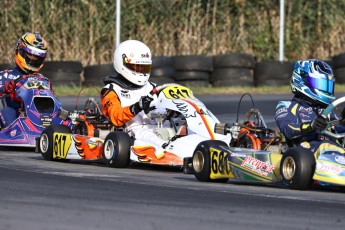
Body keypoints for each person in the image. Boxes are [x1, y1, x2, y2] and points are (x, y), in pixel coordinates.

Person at [101, 40, 168, 161]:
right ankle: (168, 150)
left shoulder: (154, 87)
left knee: (182, 128)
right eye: (137, 67)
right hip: (132, 131)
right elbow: (115, 117)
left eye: (145, 68)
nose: (141, 72)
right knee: (147, 135)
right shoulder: (111, 90)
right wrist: (137, 107)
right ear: (123, 64)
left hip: (160, 125)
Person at [275, 59, 345, 157]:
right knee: (324, 146)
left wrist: (342, 122)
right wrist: (311, 125)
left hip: (331, 151)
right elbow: (288, 129)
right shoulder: (285, 106)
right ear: (302, 81)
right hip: (304, 152)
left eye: (328, 86)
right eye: (321, 84)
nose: (325, 89)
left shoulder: (326, 110)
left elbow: (339, 130)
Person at [0, 32, 49, 128]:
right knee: (7, 111)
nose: (33, 59)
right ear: (20, 51)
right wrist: (4, 89)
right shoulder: (5, 75)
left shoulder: (43, 79)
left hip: (38, 116)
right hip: (15, 115)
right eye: (30, 55)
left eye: (37, 58)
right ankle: (12, 133)